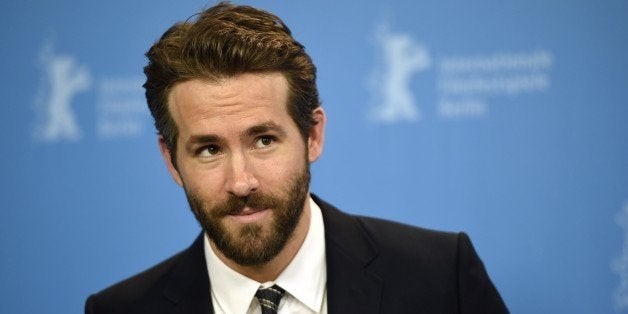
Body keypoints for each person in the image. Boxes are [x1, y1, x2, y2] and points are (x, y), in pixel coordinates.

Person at [85, 2, 508, 313]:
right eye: (209, 150)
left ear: (312, 135)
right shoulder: (118, 311)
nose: (241, 182)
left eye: (264, 140)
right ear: (171, 160)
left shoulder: (439, 279)